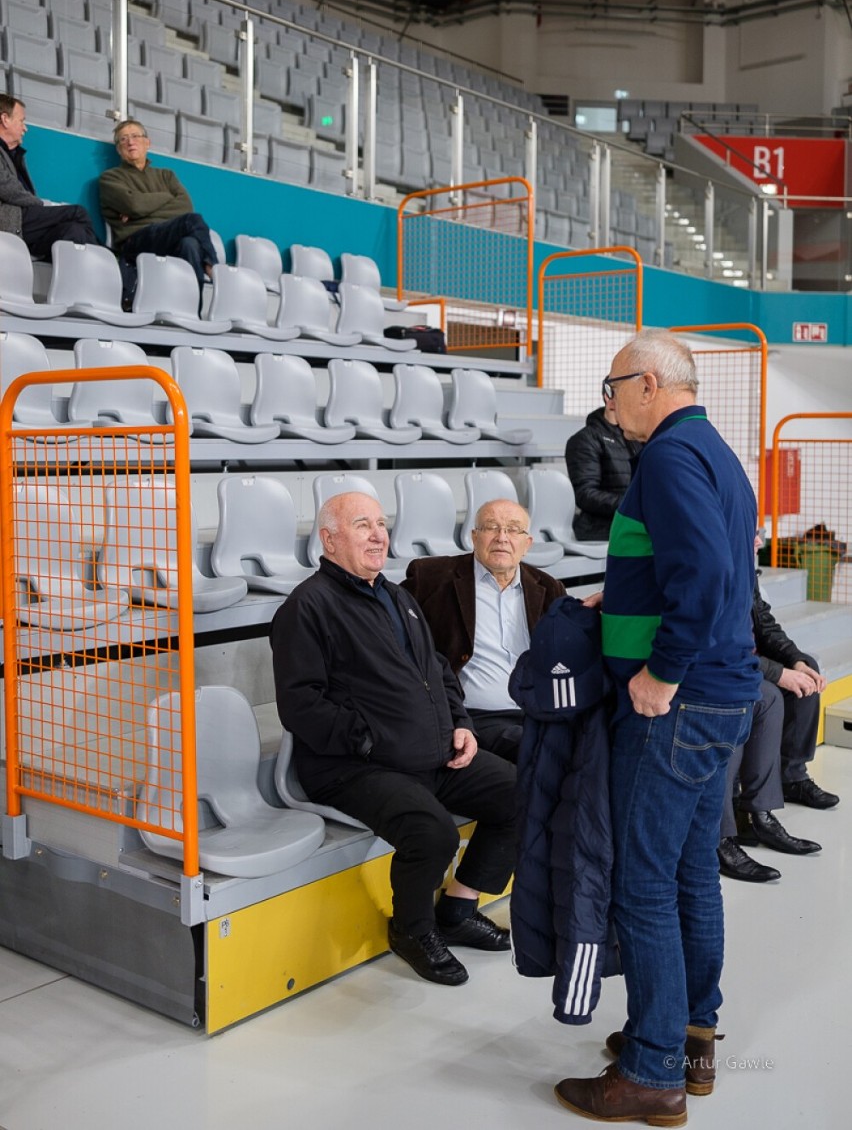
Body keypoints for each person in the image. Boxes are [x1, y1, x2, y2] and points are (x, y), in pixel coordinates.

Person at [553, 330, 762, 1125]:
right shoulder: (709, 449)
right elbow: (705, 568)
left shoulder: (670, 458)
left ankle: (651, 1072)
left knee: (642, 882)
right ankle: (690, 1037)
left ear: (647, 384)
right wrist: (628, 599)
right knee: (686, 874)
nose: (608, 406)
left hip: (680, 702)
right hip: (724, 695)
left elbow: (706, 577)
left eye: (611, 389)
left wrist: (661, 672)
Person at [270, 491, 516, 988]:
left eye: (381, 524)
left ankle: (458, 909)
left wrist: (461, 726)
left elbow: (439, 670)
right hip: (353, 767)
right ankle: (411, 930)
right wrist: (370, 741)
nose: (378, 534)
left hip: (430, 752)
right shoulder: (307, 606)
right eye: (363, 525)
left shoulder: (397, 596)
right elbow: (302, 704)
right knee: (433, 833)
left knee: (522, 790)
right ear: (330, 539)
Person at [401, 498, 564, 763]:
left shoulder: (548, 588)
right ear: (474, 537)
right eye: (491, 527)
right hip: (475, 717)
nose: (502, 538)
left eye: (513, 530)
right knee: (545, 752)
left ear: (527, 544)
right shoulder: (431, 578)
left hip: (537, 711)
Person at [718, 544, 838, 883]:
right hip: (718, 667)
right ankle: (738, 825)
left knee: (808, 667)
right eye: (751, 531)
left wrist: (795, 660)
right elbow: (720, 644)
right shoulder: (712, 561)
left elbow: (764, 623)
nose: (757, 540)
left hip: (743, 660)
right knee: (767, 694)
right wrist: (779, 673)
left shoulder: (740, 559)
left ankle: (790, 779)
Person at [98, 119, 217, 310]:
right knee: (193, 221)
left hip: (167, 238)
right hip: (135, 241)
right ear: (119, 150)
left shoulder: (166, 175)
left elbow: (185, 206)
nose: (130, 142)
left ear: (147, 143)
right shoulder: (111, 178)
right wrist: (166, 198)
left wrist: (141, 211)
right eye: (123, 139)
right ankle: (213, 267)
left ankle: (191, 311)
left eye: (135, 136)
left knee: (191, 244)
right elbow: (134, 205)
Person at [0, 93, 99, 257]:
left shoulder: (14, 155)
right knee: (78, 212)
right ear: (5, 120)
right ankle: (103, 259)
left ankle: (76, 279)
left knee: (74, 230)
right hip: (10, 220)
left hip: (25, 222)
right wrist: (39, 204)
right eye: (21, 121)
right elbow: (6, 187)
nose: (25, 128)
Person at [564, 392, 643, 541]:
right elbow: (585, 494)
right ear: (609, 398)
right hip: (600, 528)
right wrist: (632, 504)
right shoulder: (584, 440)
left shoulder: (636, 437)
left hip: (632, 523)